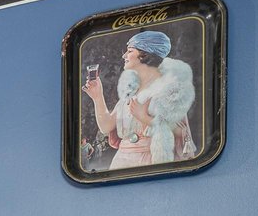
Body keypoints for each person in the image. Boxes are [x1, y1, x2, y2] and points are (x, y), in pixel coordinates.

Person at [80, 29, 197, 170]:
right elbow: (106, 127)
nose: (124, 55)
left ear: (145, 54)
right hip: (121, 163)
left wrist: (144, 117)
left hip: (151, 162)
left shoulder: (167, 88)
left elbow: (181, 132)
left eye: (129, 51)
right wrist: (97, 96)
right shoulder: (130, 90)